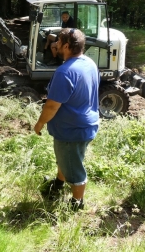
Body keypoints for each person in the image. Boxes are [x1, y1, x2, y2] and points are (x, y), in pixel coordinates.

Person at [34, 28, 99, 210]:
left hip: (72, 130)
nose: (55, 45)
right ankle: (58, 184)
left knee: (74, 167)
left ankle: (77, 203)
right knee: (66, 159)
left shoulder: (65, 72)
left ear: (67, 46)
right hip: (85, 125)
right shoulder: (89, 63)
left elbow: (52, 106)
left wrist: (40, 123)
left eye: (59, 42)